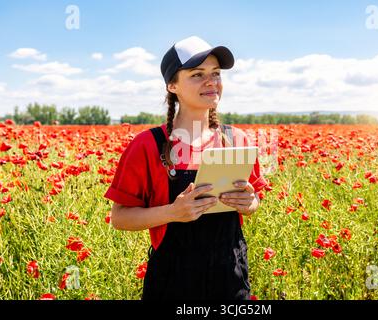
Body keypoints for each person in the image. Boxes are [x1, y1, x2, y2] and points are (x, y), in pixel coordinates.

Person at [104, 36, 269, 300]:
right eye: (197, 74)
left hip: (230, 279)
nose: (211, 81)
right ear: (172, 85)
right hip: (173, 282)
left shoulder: (237, 140)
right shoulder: (148, 145)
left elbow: (254, 202)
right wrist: (173, 212)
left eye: (215, 73)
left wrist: (249, 202)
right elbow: (120, 218)